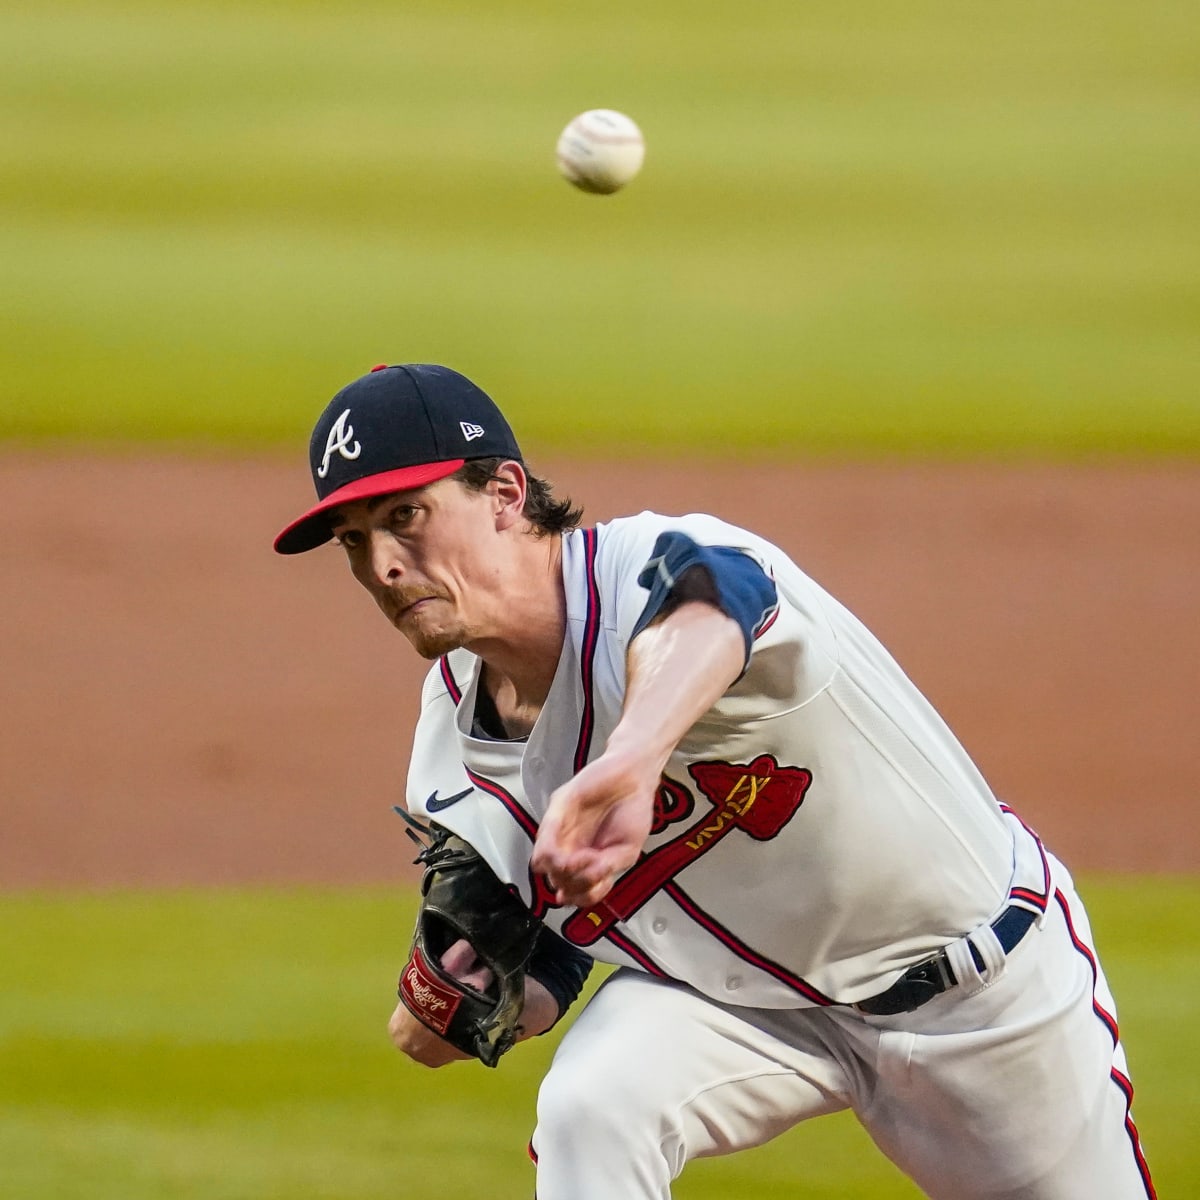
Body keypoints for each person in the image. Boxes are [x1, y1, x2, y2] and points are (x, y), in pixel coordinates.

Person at [274, 362, 1156, 1200]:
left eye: (408, 517)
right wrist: (472, 991)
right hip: (748, 1010)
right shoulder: (454, 739)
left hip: (981, 993)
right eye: (355, 540)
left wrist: (633, 755)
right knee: (595, 1105)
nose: (381, 567)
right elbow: (551, 948)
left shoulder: (655, 564)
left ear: (505, 495)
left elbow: (713, 612)